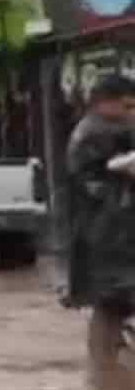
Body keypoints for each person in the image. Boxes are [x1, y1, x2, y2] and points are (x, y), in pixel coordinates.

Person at [65, 74, 135, 358]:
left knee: (110, 305)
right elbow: (93, 186)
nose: (131, 113)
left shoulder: (109, 128)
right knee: (113, 301)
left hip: (107, 234)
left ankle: (105, 376)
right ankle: (106, 371)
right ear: (106, 103)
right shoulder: (95, 132)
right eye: (127, 106)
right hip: (107, 235)